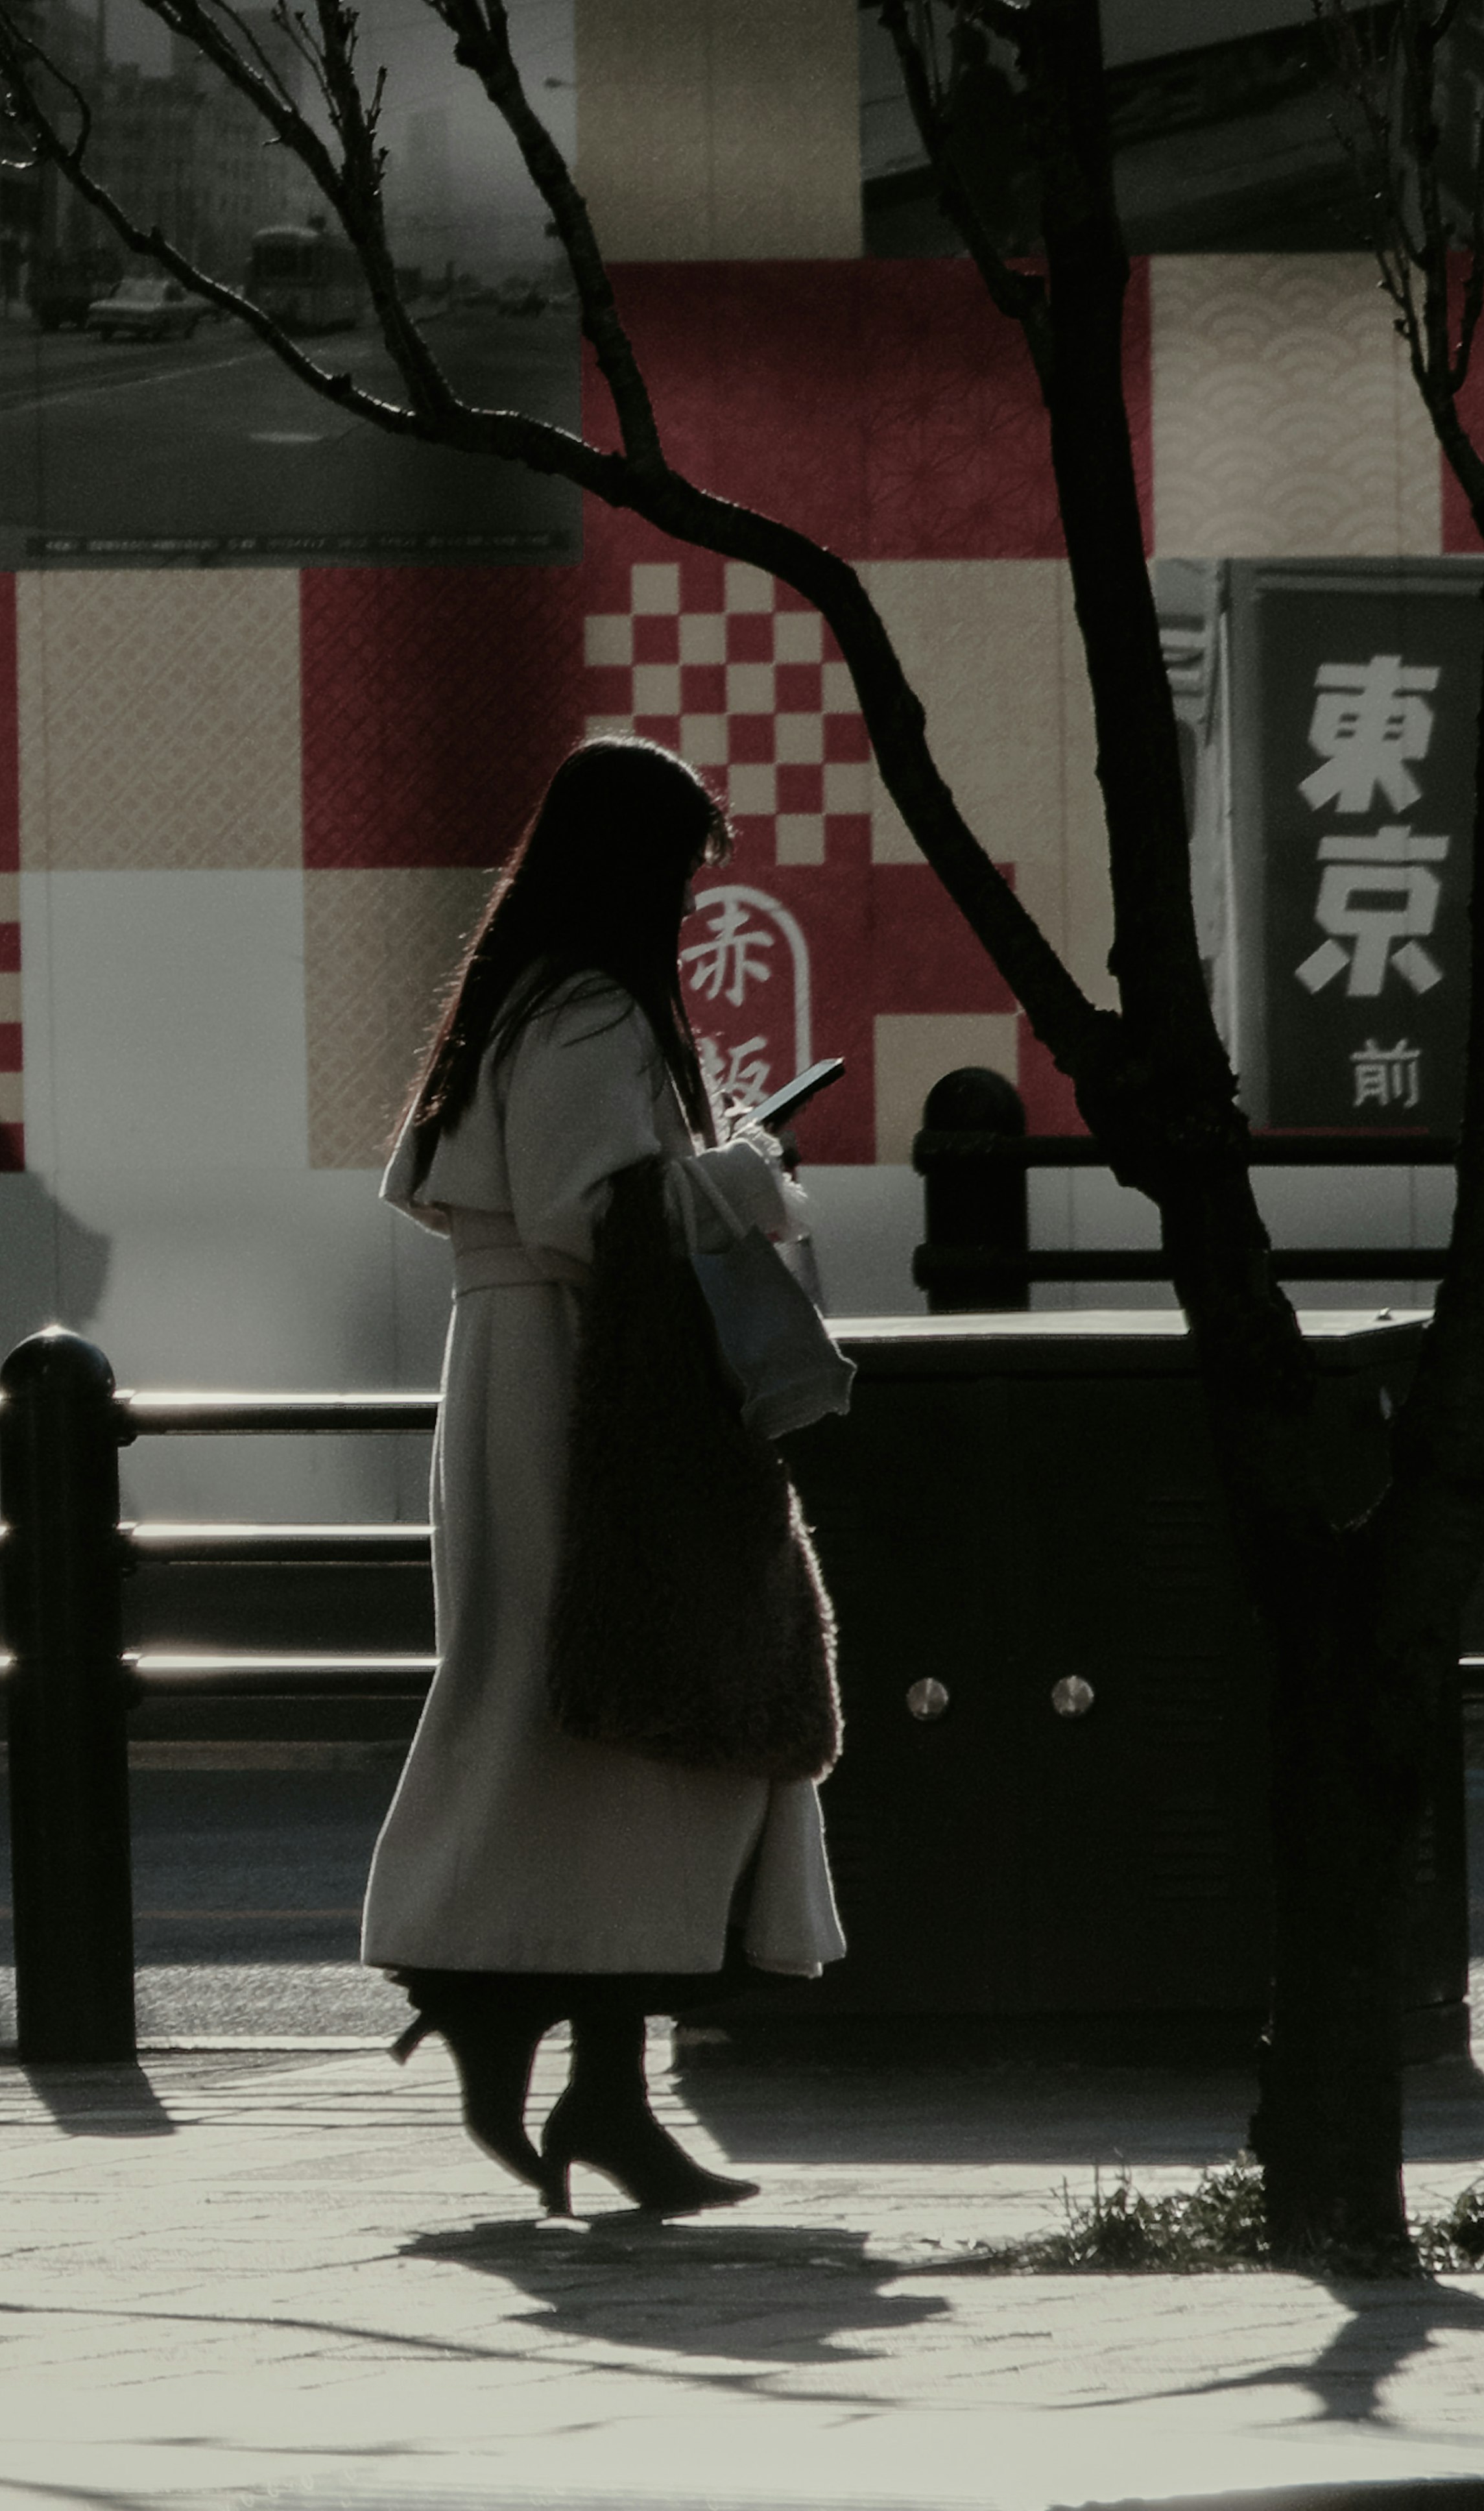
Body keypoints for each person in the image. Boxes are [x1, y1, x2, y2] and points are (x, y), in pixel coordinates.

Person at [361, 736, 851, 2216]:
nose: (697, 903)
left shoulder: (521, 997)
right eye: (688, 869)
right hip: (586, 1381)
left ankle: (561, 2047)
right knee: (632, 1696)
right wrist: (753, 1171)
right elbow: (595, 1216)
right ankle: (529, 2018)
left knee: (566, 1706)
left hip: (533, 1368)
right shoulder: (590, 1010)